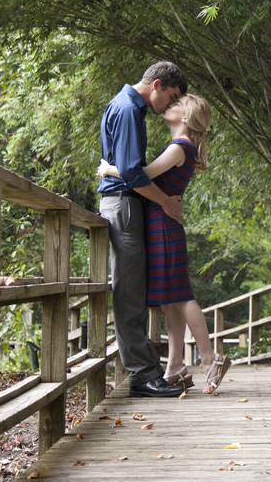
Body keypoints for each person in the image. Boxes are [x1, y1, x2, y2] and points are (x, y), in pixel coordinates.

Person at [98, 93, 231, 394]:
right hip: (160, 223)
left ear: (186, 117)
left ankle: (210, 359)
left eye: (177, 104)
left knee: (181, 295)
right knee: (171, 298)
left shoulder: (179, 147)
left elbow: (140, 175)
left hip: (163, 225)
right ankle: (175, 365)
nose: (170, 105)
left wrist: (109, 170)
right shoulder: (180, 147)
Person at [98, 61, 187, 398]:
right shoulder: (128, 110)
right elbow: (133, 174)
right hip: (123, 203)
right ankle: (142, 375)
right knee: (129, 293)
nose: (171, 105)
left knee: (133, 290)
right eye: (172, 96)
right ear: (157, 85)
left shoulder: (126, 107)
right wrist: (166, 202)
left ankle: (146, 371)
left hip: (125, 203)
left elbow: (125, 168)